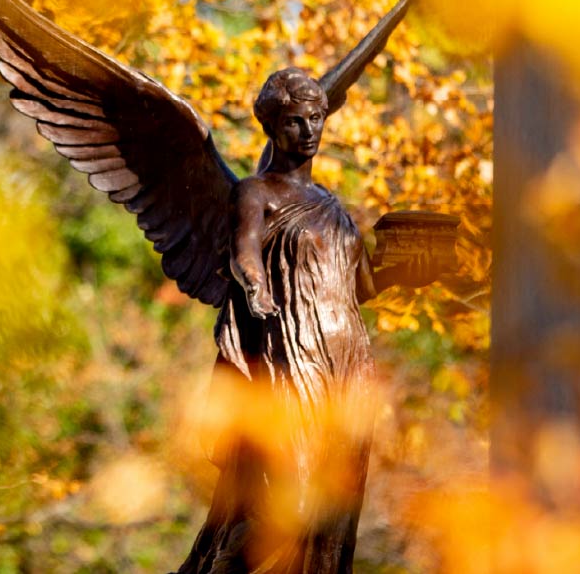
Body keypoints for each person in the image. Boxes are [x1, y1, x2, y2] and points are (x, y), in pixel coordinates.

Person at [179, 68, 437, 574]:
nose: (310, 130)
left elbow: (361, 285)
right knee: (289, 499)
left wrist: (410, 269)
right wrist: (254, 286)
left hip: (347, 363)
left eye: (317, 118)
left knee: (331, 511)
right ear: (274, 126)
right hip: (291, 353)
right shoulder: (256, 193)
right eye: (296, 121)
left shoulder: (332, 206)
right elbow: (243, 252)